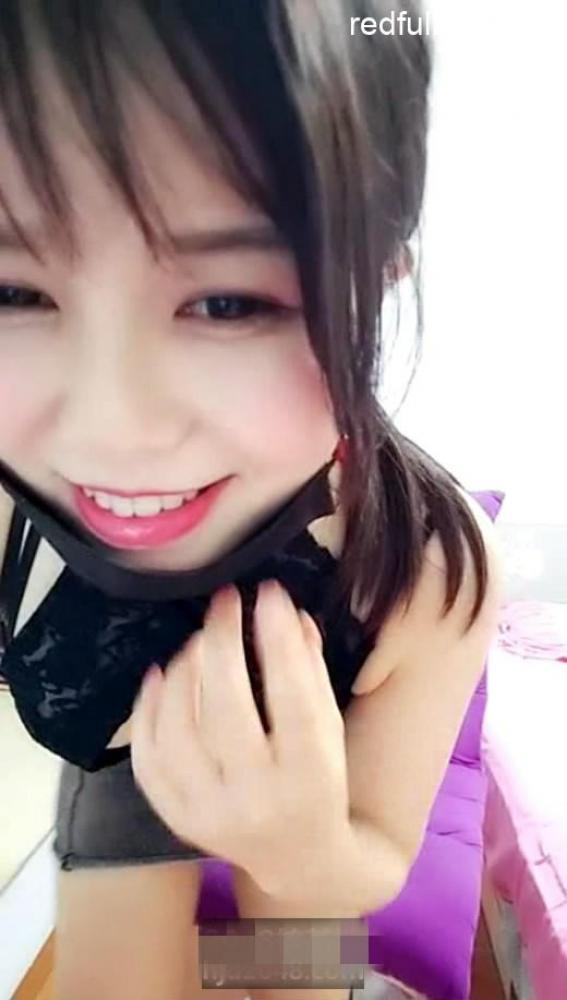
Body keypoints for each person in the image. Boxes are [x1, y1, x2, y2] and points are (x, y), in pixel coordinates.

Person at [0, 2, 503, 999]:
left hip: (317, 803)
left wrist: (298, 843)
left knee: (289, 986)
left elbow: (370, 852)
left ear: (373, 288)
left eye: (229, 302)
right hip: (123, 766)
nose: (113, 431)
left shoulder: (429, 567)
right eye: (13, 294)